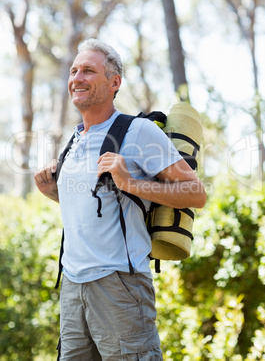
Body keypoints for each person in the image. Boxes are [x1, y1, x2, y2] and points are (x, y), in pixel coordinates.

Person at [34, 38, 207, 361]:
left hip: (119, 284)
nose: (77, 78)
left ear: (114, 83)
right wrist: (53, 193)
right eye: (74, 71)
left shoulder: (138, 131)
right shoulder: (75, 137)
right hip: (73, 284)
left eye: (88, 70)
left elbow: (195, 193)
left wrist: (132, 183)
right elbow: (97, 204)